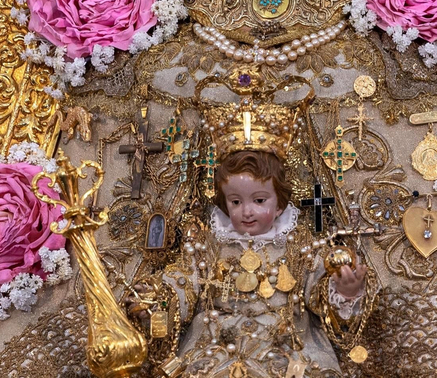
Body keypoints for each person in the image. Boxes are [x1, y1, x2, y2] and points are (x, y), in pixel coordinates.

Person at [135, 107, 375, 378]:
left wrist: (342, 290)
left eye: (259, 200)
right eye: (236, 202)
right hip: (215, 349)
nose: (246, 211)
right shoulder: (210, 243)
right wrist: (157, 297)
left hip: (287, 349)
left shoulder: (299, 244)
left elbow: (319, 293)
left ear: (280, 203)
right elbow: (183, 283)